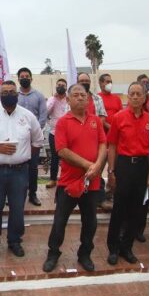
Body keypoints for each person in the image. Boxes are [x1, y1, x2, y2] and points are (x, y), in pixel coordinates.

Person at [0, 80, 45, 257]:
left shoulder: (28, 116)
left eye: (12, 92)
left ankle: (14, 241)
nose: (8, 95)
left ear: (17, 94)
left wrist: (23, 156)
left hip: (20, 172)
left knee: (17, 208)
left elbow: (37, 141)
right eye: (4, 92)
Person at [42, 84, 107, 272]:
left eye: (83, 95)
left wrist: (97, 167)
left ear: (88, 100)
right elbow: (62, 150)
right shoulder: (63, 122)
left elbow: (103, 144)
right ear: (68, 100)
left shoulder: (96, 120)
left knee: (90, 222)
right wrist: (89, 165)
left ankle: (85, 254)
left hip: (91, 183)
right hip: (69, 182)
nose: (80, 98)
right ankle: (53, 253)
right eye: (76, 95)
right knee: (60, 221)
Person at [105, 82, 149, 265]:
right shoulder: (119, 118)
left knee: (136, 210)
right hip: (124, 165)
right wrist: (111, 172)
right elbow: (112, 146)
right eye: (132, 94)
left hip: (142, 167)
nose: (135, 97)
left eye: (138, 94)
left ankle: (127, 247)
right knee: (119, 208)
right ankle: (113, 247)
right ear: (128, 96)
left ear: (144, 98)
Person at [16, 67, 47, 207]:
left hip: (34, 140)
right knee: (17, 166)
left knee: (33, 167)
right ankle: (17, 194)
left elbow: (43, 117)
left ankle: (32, 194)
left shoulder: (39, 96)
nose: (25, 78)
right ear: (18, 79)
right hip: (18, 139)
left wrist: (34, 133)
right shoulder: (14, 95)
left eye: (27, 76)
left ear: (31, 78)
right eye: (22, 76)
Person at [45, 78, 69, 189]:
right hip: (54, 133)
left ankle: (67, 178)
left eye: (63, 85)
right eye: (58, 85)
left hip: (68, 133)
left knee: (68, 157)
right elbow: (46, 111)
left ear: (66, 87)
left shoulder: (69, 99)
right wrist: (54, 99)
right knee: (54, 157)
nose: (60, 87)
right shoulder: (51, 99)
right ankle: (53, 179)